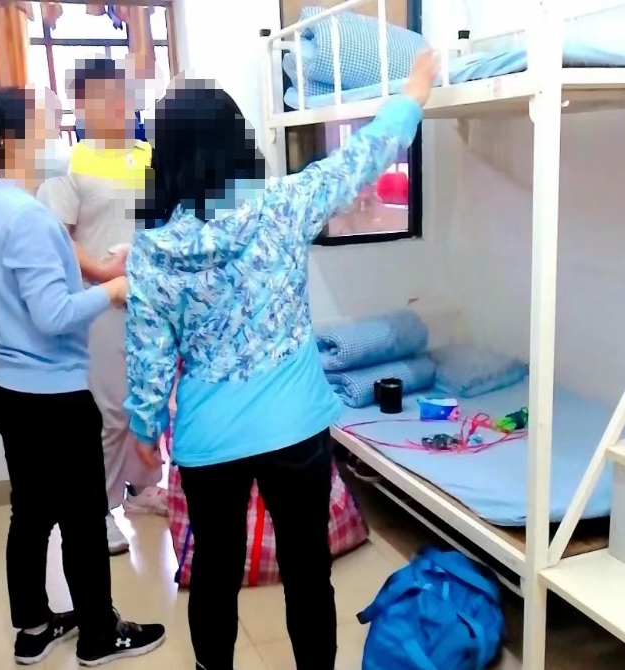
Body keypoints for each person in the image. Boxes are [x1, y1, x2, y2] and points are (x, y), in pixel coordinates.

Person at [124, 51, 439, 670]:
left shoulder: (152, 249)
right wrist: (414, 93)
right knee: (307, 569)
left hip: (209, 439)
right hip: (294, 426)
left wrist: (143, 428)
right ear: (236, 143)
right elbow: (365, 153)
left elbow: (149, 358)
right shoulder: (284, 205)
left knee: (213, 573)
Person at [0, 86, 166, 667]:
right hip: (52, 396)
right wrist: (113, 289)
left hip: (9, 389)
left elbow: (29, 299)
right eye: (45, 123)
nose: (57, 132)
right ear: (11, 140)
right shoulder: (28, 216)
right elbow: (53, 314)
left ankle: (33, 628)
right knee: (84, 520)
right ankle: (98, 637)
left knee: (32, 513)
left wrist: (101, 275)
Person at [37, 57, 165, 557]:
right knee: (110, 413)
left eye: (124, 93)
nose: (118, 104)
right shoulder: (68, 164)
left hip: (153, 302)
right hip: (102, 306)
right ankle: (102, 508)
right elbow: (60, 240)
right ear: (82, 105)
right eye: (105, 96)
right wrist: (108, 275)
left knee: (150, 401)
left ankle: (144, 487)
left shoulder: (151, 155)